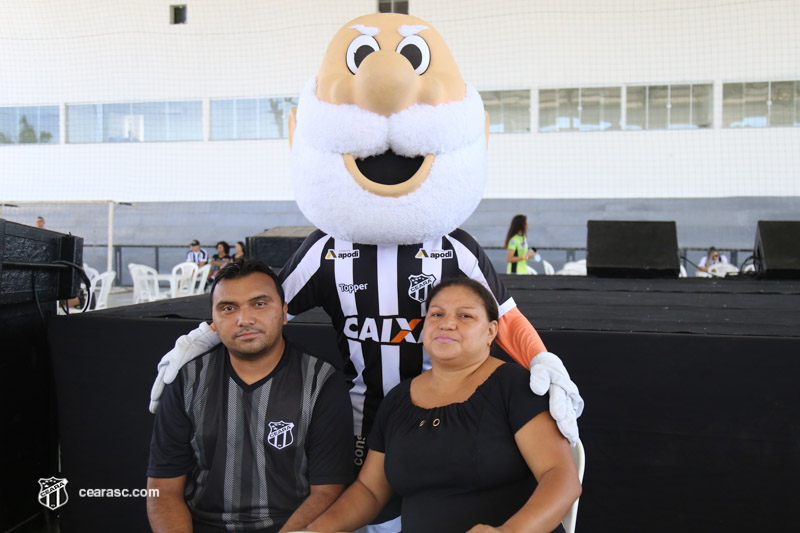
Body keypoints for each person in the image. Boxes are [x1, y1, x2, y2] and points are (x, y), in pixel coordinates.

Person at [149, 14, 583, 531]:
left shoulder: (458, 254)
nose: (444, 320)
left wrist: (542, 360)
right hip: (366, 418)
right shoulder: (326, 251)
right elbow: (264, 305)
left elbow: (505, 317)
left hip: (457, 410)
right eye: (437, 311)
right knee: (369, 505)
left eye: (458, 314)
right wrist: (201, 340)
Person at [306, 278, 581, 533]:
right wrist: (313, 531)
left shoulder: (516, 385)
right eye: (436, 314)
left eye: (465, 316)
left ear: (491, 331)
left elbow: (561, 478)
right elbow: (370, 491)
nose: (447, 324)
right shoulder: (399, 399)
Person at [146, 259, 353, 533]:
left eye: (259, 304)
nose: (245, 319)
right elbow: (162, 489)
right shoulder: (186, 380)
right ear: (214, 322)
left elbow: (327, 493)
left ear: (283, 312)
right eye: (228, 308)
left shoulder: (321, 382)